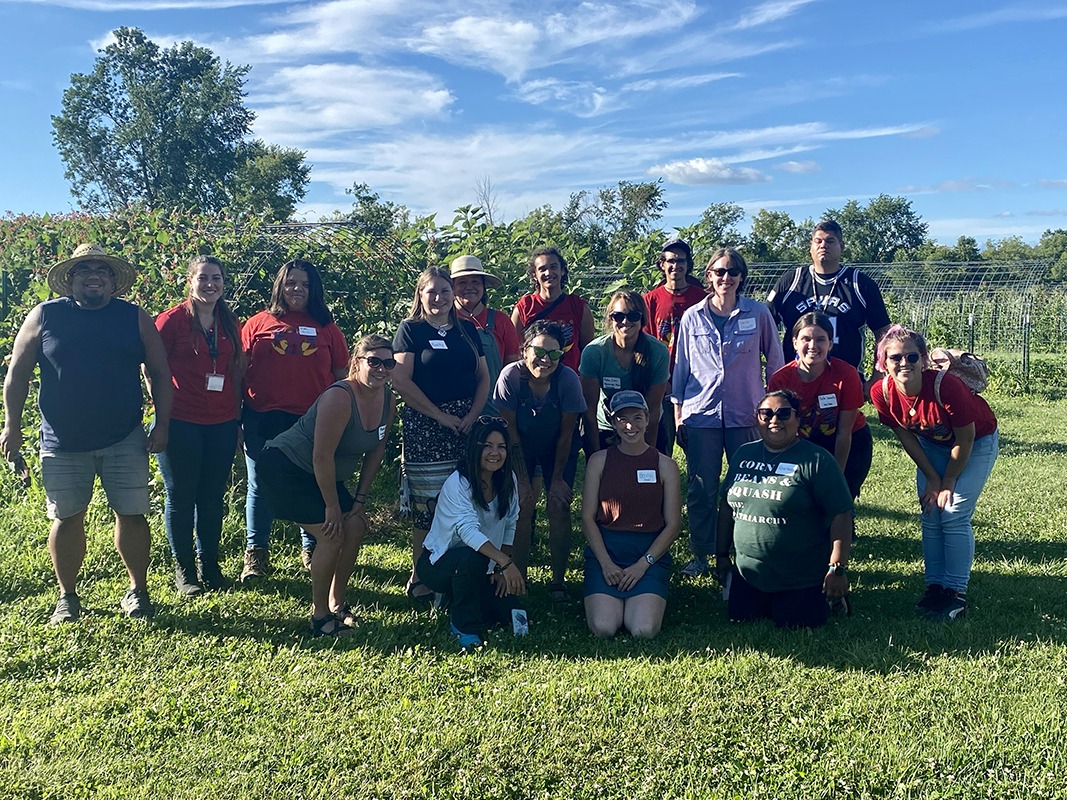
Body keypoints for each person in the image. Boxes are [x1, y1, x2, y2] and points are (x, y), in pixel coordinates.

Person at [1, 243, 172, 622]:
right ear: (71, 279)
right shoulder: (45, 316)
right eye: (84, 270)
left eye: (102, 271)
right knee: (67, 517)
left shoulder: (134, 318)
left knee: (131, 514)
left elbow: (160, 373)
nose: (94, 275)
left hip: (124, 436)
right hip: (62, 441)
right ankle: (67, 596)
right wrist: (11, 425)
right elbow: (17, 375)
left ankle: (138, 592)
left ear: (112, 281)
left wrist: (162, 423)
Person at [257, 335, 396, 636]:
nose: (382, 369)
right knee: (332, 534)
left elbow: (376, 452)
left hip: (323, 475)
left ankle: (337, 603)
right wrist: (332, 508)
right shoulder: (340, 396)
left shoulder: (388, 399)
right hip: (285, 468)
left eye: (389, 363)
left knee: (356, 526)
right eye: (374, 361)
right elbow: (322, 456)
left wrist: (358, 503)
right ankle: (319, 617)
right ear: (357, 362)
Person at [870, 325, 999, 621]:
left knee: (952, 512)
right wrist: (931, 478)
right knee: (930, 511)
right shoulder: (882, 392)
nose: (904, 364)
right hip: (932, 447)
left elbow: (965, 438)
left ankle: (955, 593)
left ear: (924, 359)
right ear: (883, 362)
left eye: (912, 357)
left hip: (976, 442)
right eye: (895, 358)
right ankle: (935, 587)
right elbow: (906, 436)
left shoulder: (945, 386)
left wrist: (948, 480)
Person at [672, 248, 784, 578]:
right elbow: (681, 368)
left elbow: (774, 362)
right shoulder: (692, 317)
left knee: (746, 486)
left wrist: (773, 409)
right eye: (719, 271)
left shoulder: (759, 313)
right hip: (701, 415)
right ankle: (702, 553)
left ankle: (743, 549)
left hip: (746, 414)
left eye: (733, 271)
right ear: (708, 276)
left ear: (741, 277)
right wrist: (678, 414)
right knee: (701, 488)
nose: (726, 277)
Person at [239, 259, 349, 583]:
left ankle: (312, 547)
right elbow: (237, 371)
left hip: (310, 421)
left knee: (312, 482)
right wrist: (235, 417)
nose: (297, 289)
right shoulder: (257, 323)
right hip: (261, 417)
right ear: (279, 287)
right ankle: (255, 554)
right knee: (259, 485)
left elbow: (342, 377)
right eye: (290, 283)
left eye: (304, 284)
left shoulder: (327, 328)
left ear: (314, 289)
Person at [392, 266, 489, 603]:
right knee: (428, 505)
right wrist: (439, 415)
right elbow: (401, 380)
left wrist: (472, 415)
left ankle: (461, 572)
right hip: (426, 426)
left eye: (444, 291)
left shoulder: (466, 331)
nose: (439, 297)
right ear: (420, 295)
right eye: (431, 291)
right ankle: (422, 575)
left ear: (453, 295)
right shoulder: (411, 330)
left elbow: (483, 377)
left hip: (466, 427)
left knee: (465, 500)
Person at [717, 390, 853, 629]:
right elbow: (727, 507)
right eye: (766, 413)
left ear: (797, 419)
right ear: (756, 418)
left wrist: (837, 567)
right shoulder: (743, 454)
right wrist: (720, 555)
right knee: (742, 617)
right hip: (749, 575)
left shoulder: (817, 460)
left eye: (783, 414)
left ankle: (833, 597)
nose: (774, 420)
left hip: (798, 577)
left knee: (795, 622)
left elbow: (841, 514)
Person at [153, 255, 244, 596]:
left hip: (220, 422)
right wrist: (160, 413)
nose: (210, 284)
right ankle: (185, 570)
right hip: (180, 421)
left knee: (211, 497)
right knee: (180, 496)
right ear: (189, 281)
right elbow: (152, 369)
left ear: (224, 282)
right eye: (203, 278)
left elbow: (235, 371)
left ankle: (211, 565)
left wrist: (236, 420)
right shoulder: (172, 321)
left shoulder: (229, 321)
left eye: (216, 278)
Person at [492, 320, 586, 600]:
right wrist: (522, 479)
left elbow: (567, 434)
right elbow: (510, 432)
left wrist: (556, 479)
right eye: (539, 352)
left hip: (558, 448)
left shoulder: (568, 380)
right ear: (524, 351)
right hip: (521, 445)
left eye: (554, 354)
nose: (546, 360)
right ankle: (518, 577)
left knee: (558, 505)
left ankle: (559, 581)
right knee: (522, 506)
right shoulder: (511, 377)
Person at [417, 417, 525, 650]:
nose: (494, 453)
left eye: (501, 447)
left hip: (485, 565)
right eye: (487, 446)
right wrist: (505, 563)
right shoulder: (458, 483)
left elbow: (510, 523)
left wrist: (498, 570)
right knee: (470, 558)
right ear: (474, 447)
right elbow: (468, 532)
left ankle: (457, 599)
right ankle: (463, 626)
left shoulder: (509, 480)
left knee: (511, 615)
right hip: (438, 563)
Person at [580, 391, 681, 639]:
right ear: (613, 422)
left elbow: (673, 524)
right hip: (607, 552)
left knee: (643, 630)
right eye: (622, 419)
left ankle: (641, 594)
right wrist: (605, 563)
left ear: (648, 419)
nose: (630, 426)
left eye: (637, 417)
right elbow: (587, 518)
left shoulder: (665, 465)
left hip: (647, 555)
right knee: (604, 628)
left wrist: (642, 565)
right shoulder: (598, 461)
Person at [766, 219, 891, 383]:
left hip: (845, 382)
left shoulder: (860, 284)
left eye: (830, 241)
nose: (823, 245)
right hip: (795, 380)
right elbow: (764, 325)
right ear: (810, 247)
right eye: (818, 241)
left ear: (842, 246)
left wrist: (877, 376)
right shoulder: (791, 281)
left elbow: (884, 333)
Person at [767, 312, 872, 500]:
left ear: (830, 344)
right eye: (806, 339)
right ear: (794, 342)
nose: (813, 346)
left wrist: (837, 476)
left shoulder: (846, 375)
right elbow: (780, 431)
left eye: (821, 339)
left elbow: (844, 432)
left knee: (839, 501)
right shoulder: (780, 379)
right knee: (802, 500)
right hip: (803, 443)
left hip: (848, 442)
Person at [580, 290, 670, 452]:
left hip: (646, 425)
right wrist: (595, 454)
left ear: (642, 319)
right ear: (610, 319)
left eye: (633, 316)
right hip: (607, 427)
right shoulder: (594, 352)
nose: (625, 321)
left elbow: (654, 409)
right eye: (618, 316)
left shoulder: (658, 352)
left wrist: (648, 454)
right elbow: (589, 409)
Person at [643, 238, 707, 454]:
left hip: (696, 382)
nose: (675, 266)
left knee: (695, 441)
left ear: (688, 264)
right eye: (670, 260)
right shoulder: (651, 300)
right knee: (661, 440)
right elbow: (647, 344)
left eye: (681, 261)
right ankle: (659, 484)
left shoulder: (703, 299)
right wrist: (660, 380)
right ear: (662, 264)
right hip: (663, 381)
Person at [450, 254, 520, 415]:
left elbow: (512, 369)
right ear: (452, 288)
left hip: (494, 409)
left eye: (475, 281)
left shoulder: (501, 320)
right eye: (462, 282)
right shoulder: (444, 321)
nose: (469, 287)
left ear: (483, 286)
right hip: (452, 411)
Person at [511, 247, 595, 376]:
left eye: (554, 267)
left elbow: (588, 352)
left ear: (562, 271)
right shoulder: (525, 307)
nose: (548, 272)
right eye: (542, 269)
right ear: (534, 275)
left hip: (569, 380)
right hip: (533, 382)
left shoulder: (578, 307)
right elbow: (515, 350)